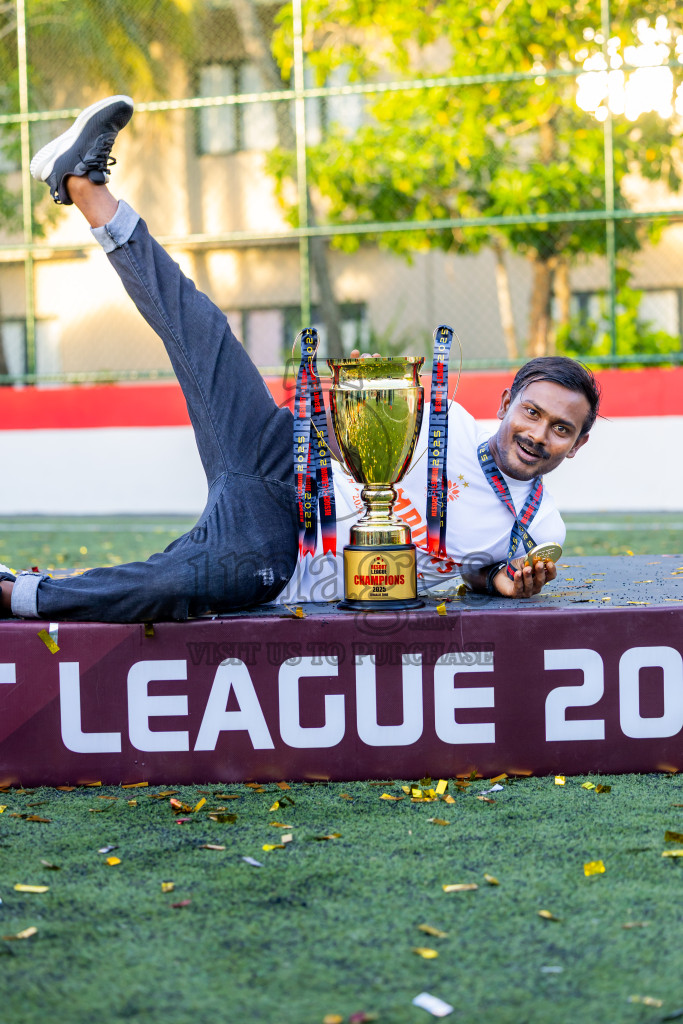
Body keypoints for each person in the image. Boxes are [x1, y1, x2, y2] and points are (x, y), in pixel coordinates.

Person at [0, 97, 600, 622]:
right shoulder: (443, 418)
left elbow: (478, 575)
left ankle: (16, 595)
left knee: (181, 583)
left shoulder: (539, 527)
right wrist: (354, 413)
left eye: (560, 429)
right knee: (202, 328)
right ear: (507, 404)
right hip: (279, 450)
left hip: (282, 543)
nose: (537, 433)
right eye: (532, 412)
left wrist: (506, 582)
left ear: (576, 446)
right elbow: (342, 451)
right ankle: (81, 182)